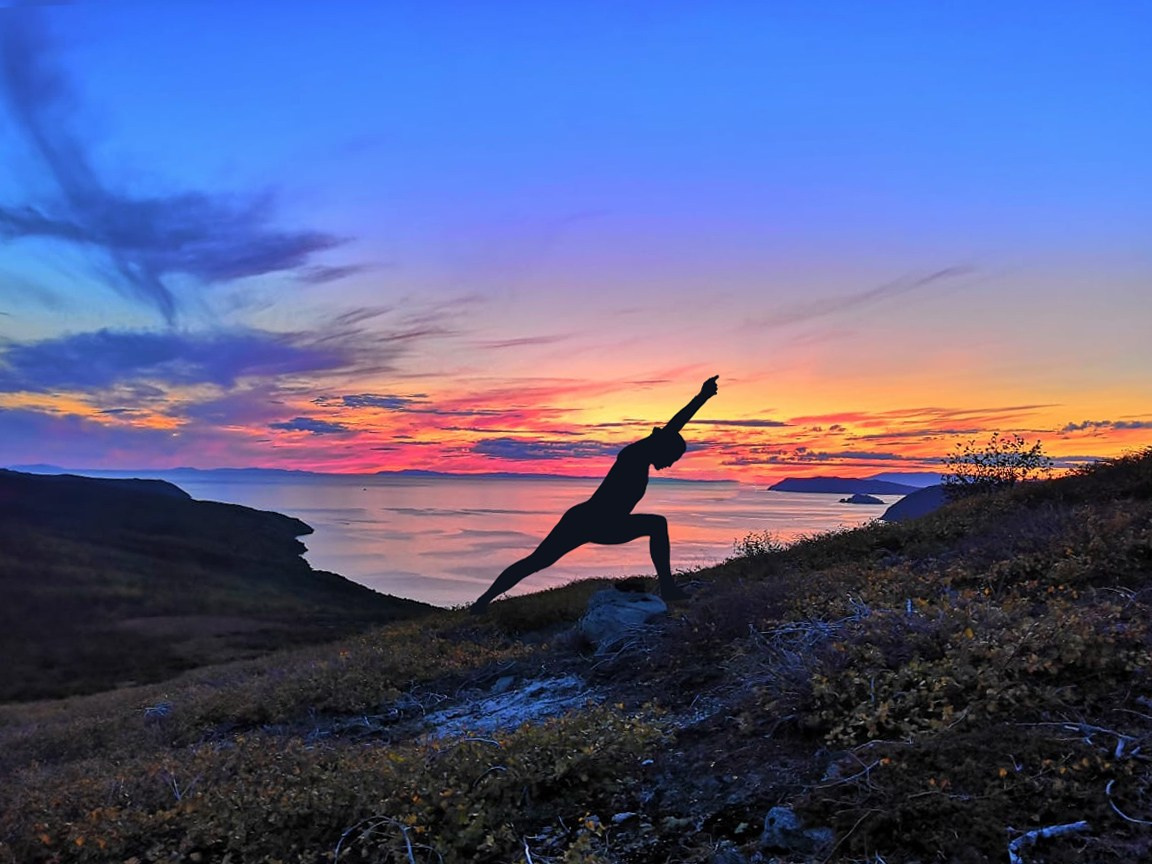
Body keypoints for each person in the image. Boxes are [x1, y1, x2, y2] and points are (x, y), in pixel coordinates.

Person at [470, 375, 719, 613]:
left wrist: (702, 398)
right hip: (586, 521)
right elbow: (674, 426)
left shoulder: (641, 460)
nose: (670, 464)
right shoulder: (635, 456)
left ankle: (668, 588)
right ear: (660, 447)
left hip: (605, 523)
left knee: (656, 525)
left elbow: (670, 432)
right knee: (537, 561)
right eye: (671, 458)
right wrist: (701, 397)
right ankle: (482, 602)